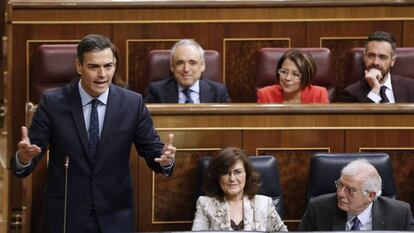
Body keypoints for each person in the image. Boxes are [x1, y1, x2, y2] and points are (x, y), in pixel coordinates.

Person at [10, 34, 176, 233]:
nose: (103, 74)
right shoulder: (53, 103)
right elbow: (28, 158)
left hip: (114, 214)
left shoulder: (132, 103)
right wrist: (23, 157)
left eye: (108, 66)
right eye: (94, 67)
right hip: (66, 214)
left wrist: (165, 160)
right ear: (79, 66)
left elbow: (153, 151)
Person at [298, 159, 414, 231]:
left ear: (371, 195)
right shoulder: (318, 209)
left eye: (349, 189)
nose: (340, 193)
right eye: (340, 185)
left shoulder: (400, 214)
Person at [192, 147, 288, 231]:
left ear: (247, 175)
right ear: (218, 177)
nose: (232, 179)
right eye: (226, 173)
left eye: (238, 172)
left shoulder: (264, 204)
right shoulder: (205, 205)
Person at [145, 39, 230, 103]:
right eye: (180, 63)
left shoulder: (219, 92)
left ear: (202, 66)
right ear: (172, 67)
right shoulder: (156, 92)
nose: (186, 69)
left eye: (192, 63)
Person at [340, 31, 414, 103]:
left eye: (382, 57)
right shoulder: (350, 94)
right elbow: (362, 116)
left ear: (392, 61)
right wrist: (375, 91)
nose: (376, 62)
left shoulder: (411, 87)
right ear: (364, 57)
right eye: (371, 56)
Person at [257, 50, 329, 103]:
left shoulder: (319, 94)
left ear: (307, 77)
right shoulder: (265, 95)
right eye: (284, 72)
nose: (287, 78)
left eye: (296, 74)